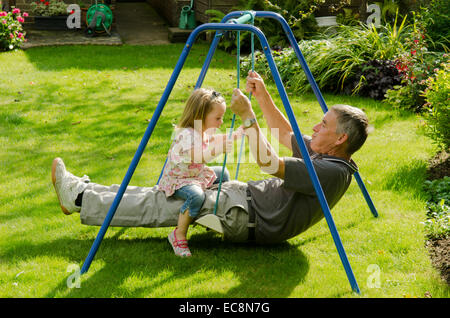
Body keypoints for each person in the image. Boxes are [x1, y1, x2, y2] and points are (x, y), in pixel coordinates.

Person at [51, 71, 369, 246]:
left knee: (166, 204)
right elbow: (285, 134)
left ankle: (79, 199)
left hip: (246, 217)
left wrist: (247, 116)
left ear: (341, 138)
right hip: (245, 201)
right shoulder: (328, 152)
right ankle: (86, 192)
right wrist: (262, 98)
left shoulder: (331, 172)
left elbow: (270, 164)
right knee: (165, 191)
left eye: (323, 124)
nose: (315, 126)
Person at [158, 88, 242, 257]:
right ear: (200, 116)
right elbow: (200, 157)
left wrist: (239, 133)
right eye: (217, 118)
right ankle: (179, 234)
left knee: (223, 174)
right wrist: (220, 148)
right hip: (180, 179)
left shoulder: (200, 130)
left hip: (195, 175)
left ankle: (216, 213)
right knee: (196, 196)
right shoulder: (187, 135)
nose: (220, 122)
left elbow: (216, 138)